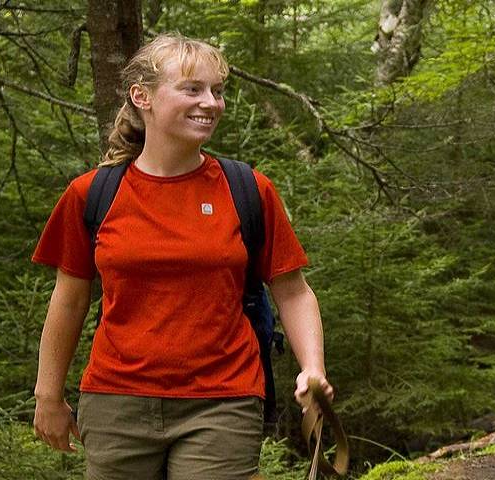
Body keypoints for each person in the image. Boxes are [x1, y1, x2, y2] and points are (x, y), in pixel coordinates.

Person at [27, 34, 332, 480]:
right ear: (142, 96)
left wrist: (313, 369)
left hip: (223, 400)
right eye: (192, 89)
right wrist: (48, 396)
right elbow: (69, 301)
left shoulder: (248, 190)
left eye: (217, 91)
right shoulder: (92, 194)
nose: (210, 103)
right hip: (116, 402)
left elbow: (293, 292)